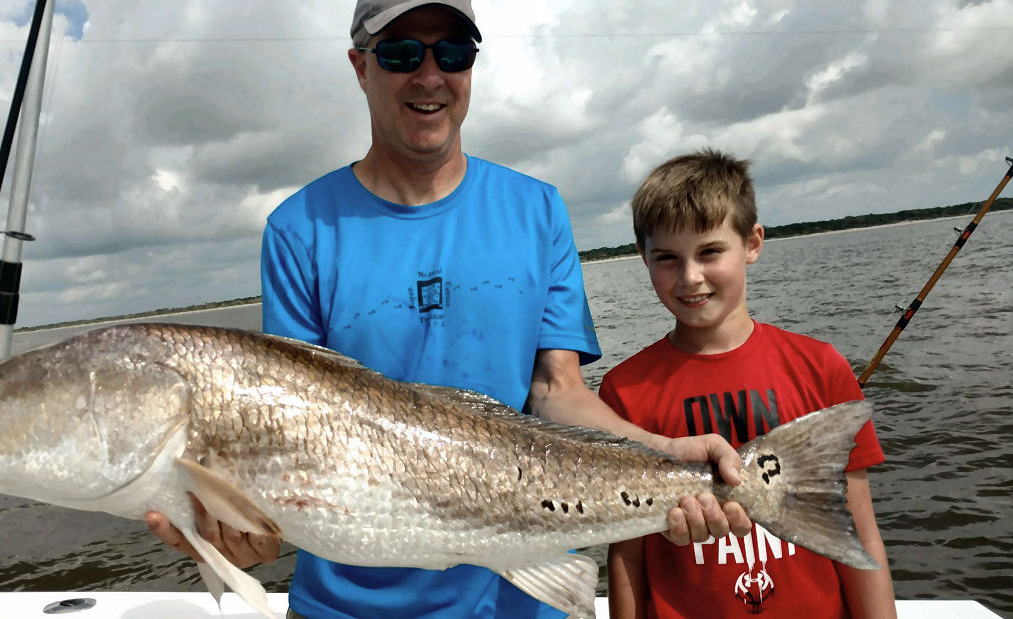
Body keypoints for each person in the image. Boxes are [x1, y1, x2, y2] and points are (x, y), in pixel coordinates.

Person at [147, 3, 754, 617]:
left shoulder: (537, 209)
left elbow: (555, 388)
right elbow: (299, 431)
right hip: (348, 604)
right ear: (360, 66)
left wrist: (660, 454)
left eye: (453, 53)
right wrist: (237, 531)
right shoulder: (298, 229)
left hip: (522, 590)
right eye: (401, 53)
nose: (430, 75)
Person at [601, 149, 897, 618]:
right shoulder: (623, 390)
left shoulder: (820, 366)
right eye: (666, 258)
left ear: (753, 242)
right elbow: (627, 552)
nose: (690, 277)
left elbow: (859, 533)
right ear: (643, 257)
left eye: (710, 252)